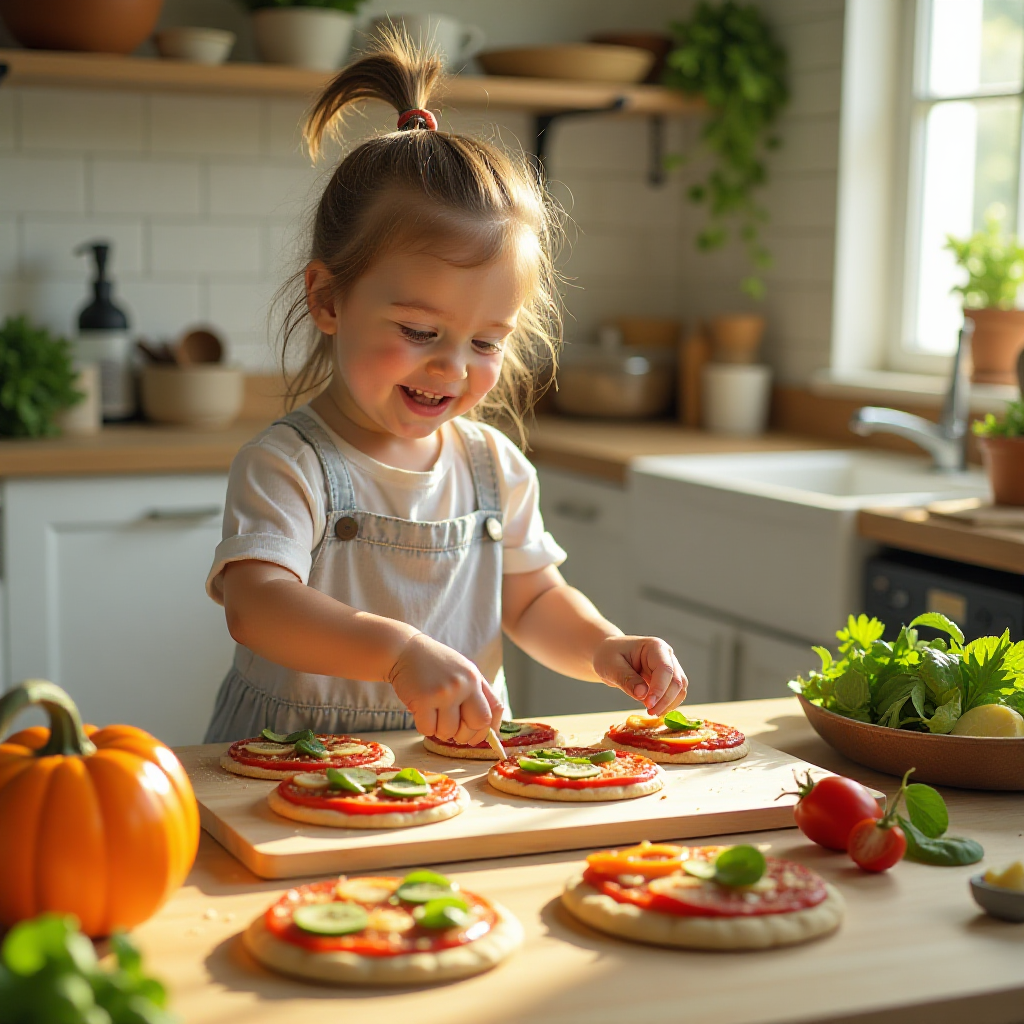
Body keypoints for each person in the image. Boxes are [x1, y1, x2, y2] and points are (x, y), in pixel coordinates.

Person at [203, 36, 687, 747]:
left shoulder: (494, 467)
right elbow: (258, 607)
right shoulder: (288, 466)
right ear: (329, 299)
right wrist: (397, 653)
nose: (452, 369)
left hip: (455, 764)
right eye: (421, 331)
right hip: (291, 762)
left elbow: (533, 600)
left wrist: (601, 648)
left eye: (486, 342)